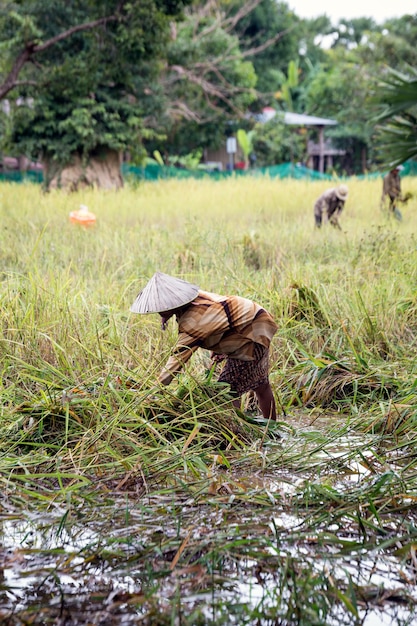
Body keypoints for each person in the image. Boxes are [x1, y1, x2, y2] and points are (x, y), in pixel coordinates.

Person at [130, 272, 278, 420]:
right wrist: (223, 347)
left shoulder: (193, 320)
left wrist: (154, 392)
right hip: (256, 320)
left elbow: (177, 360)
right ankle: (272, 429)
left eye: (161, 306)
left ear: (173, 303)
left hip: (253, 330)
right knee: (261, 383)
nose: (159, 310)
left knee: (226, 391)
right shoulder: (195, 299)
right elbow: (222, 319)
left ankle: (237, 435)